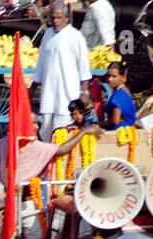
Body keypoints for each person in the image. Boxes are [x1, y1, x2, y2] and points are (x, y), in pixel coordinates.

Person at [33, 2, 90, 140]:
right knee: (45, 135)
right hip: (48, 97)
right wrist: (32, 87)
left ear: (66, 18)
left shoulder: (75, 36)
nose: (55, 21)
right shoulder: (47, 34)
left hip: (67, 97)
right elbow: (41, 63)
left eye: (59, 18)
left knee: (62, 136)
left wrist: (85, 91)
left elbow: (83, 67)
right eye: (53, 18)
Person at [100, 61, 136, 130]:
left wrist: (101, 124)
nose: (109, 79)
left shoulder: (119, 94)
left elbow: (115, 120)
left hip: (119, 133)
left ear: (122, 77)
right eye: (108, 75)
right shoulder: (125, 90)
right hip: (128, 130)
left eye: (114, 76)